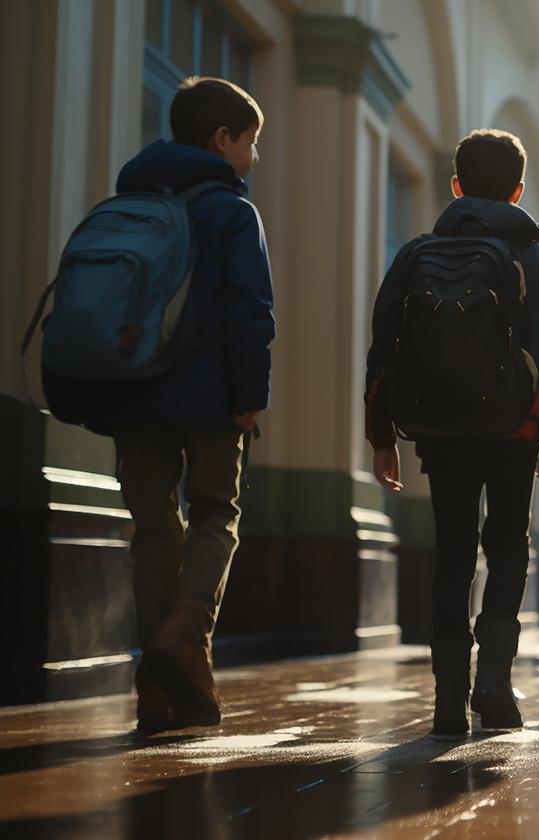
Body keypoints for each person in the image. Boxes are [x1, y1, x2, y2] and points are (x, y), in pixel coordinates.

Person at [41, 77, 275, 733]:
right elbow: (252, 312)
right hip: (209, 397)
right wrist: (250, 395)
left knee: (152, 530)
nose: (254, 157)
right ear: (222, 139)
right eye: (251, 142)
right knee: (213, 516)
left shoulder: (130, 200)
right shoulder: (231, 211)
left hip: (134, 390)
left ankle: (158, 688)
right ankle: (184, 636)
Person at [365, 129, 539, 740]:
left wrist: (382, 434)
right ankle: (494, 683)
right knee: (508, 545)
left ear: (455, 186)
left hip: (440, 426)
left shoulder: (416, 253)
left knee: (453, 550)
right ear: (517, 190)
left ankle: (446, 700)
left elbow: (386, 345)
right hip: (513, 425)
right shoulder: (535, 259)